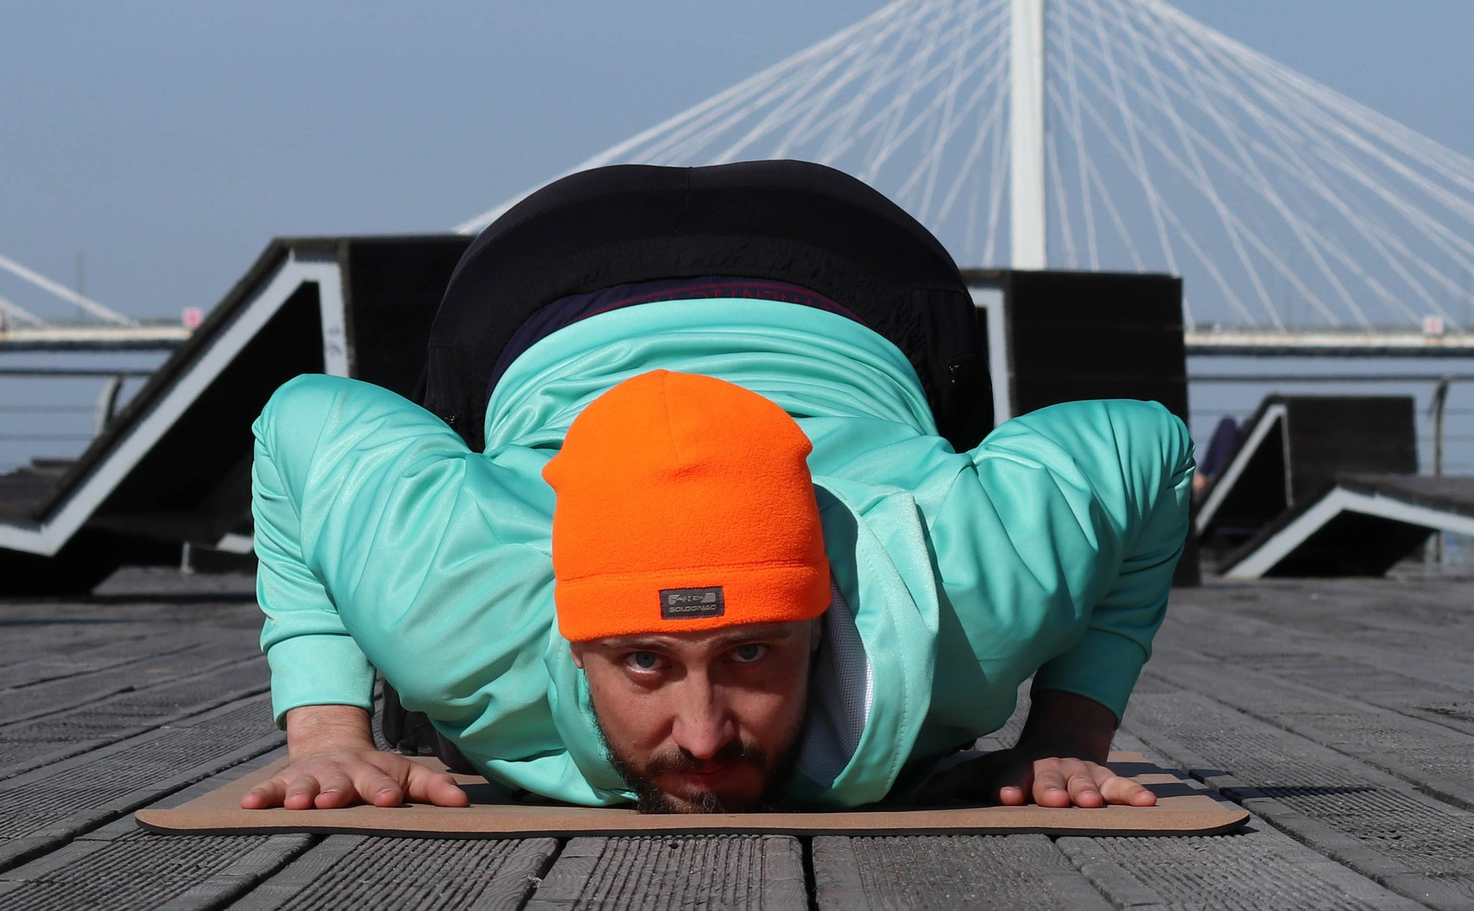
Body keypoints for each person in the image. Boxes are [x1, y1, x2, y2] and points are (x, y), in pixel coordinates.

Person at [238, 160, 1193, 815]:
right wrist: (327, 727)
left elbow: (1150, 448)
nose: (703, 737)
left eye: (748, 654)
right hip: (548, 276)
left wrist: (1064, 733)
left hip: (846, 261)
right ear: (574, 644)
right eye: (647, 660)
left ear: (821, 618)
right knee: (423, 689)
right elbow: (293, 424)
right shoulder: (453, 600)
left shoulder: (967, 595)